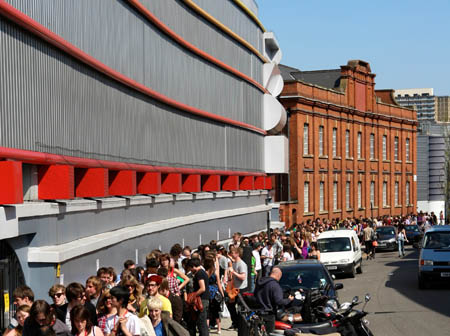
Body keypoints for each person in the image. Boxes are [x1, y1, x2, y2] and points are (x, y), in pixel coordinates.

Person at [254, 267, 294, 334]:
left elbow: (255, 295)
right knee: (269, 333)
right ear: (278, 275)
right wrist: (289, 300)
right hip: (269, 315)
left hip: (259, 313)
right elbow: (279, 301)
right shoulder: (275, 285)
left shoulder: (260, 283)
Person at [225, 246, 247, 330]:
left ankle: (238, 324)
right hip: (234, 288)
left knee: (239, 307)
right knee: (230, 305)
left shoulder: (241, 264)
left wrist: (233, 272)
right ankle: (235, 322)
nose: (231, 254)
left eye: (232, 252)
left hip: (240, 289)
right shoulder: (234, 263)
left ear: (237, 254)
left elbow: (243, 277)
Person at [187, 258, 209, 336]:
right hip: (204, 300)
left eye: (190, 267)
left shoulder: (199, 273)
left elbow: (202, 288)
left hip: (201, 300)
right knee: (202, 322)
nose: (190, 270)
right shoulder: (203, 272)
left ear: (193, 266)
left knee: (201, 323)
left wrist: (193, 295)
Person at [204, 257, 224, 334]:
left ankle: (207, 327)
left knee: (208, 311)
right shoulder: (215, 273)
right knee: (216, 311)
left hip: (207, 292)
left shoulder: (205, 273)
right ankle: (219, 328)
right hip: (215, 292)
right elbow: (219, 283)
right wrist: (222, 294)